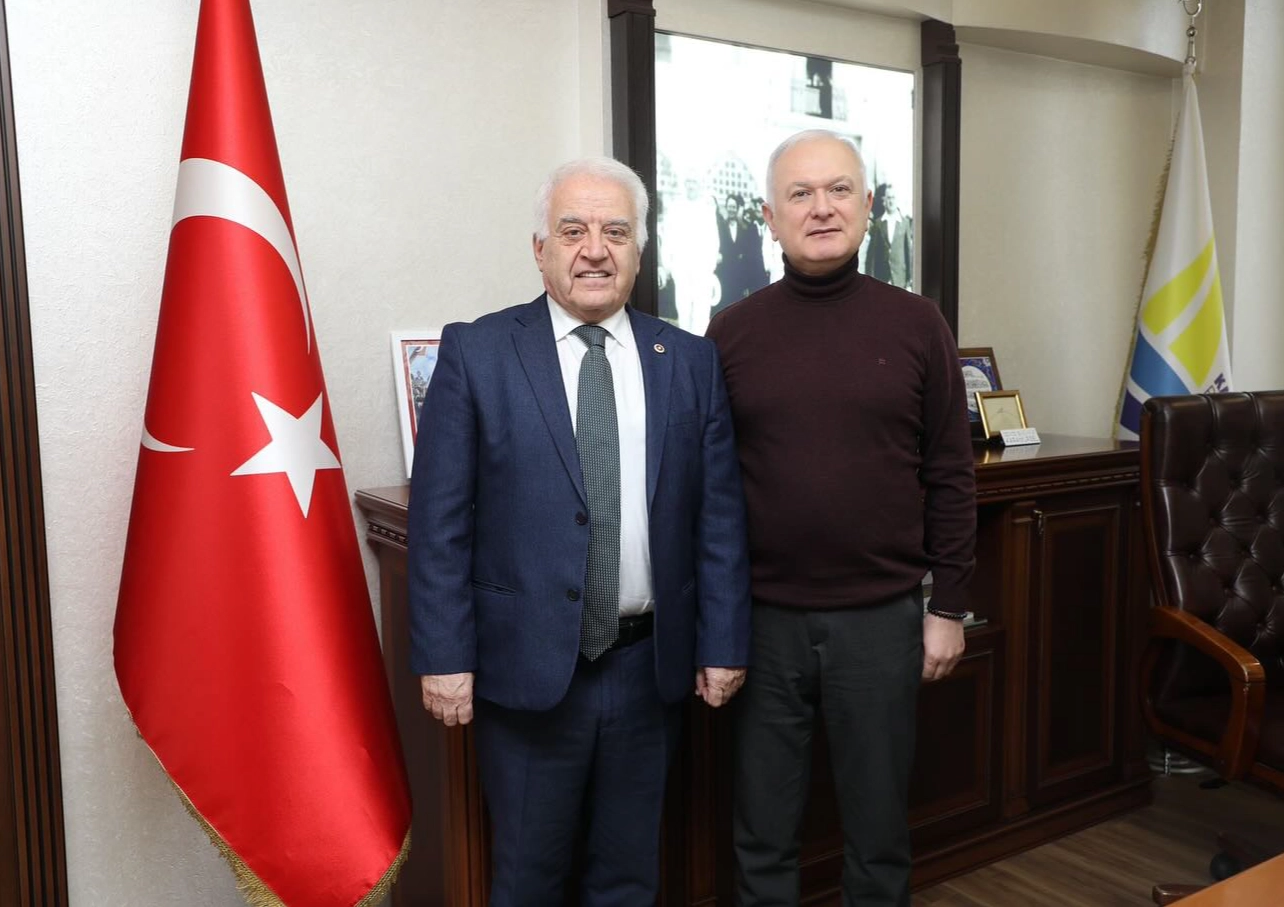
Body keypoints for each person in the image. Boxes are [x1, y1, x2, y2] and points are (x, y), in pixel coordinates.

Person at [406, 156, 751, 907]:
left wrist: (723, 641)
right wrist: (444, 655)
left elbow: (719, 517)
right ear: (540, 249)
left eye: (615, 232)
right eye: (572, 231)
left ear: (638, 251)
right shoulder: (478, 353)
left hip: (648, 669)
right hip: (525, 671)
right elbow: (438, 524)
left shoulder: (688, 360)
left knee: (628, 877)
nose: (594, 249)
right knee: (527, 879)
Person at [706, 129, 976, 906]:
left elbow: (950, 473)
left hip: (881, 620)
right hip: (760, 623)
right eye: (799, 193)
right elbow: (709, 488)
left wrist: (948, 607)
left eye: (838, 190)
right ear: (769, 216)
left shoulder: (918, 323)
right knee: (761, 831)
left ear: (868, 204)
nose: (820, 208)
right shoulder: (729, 332)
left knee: (878, 831)